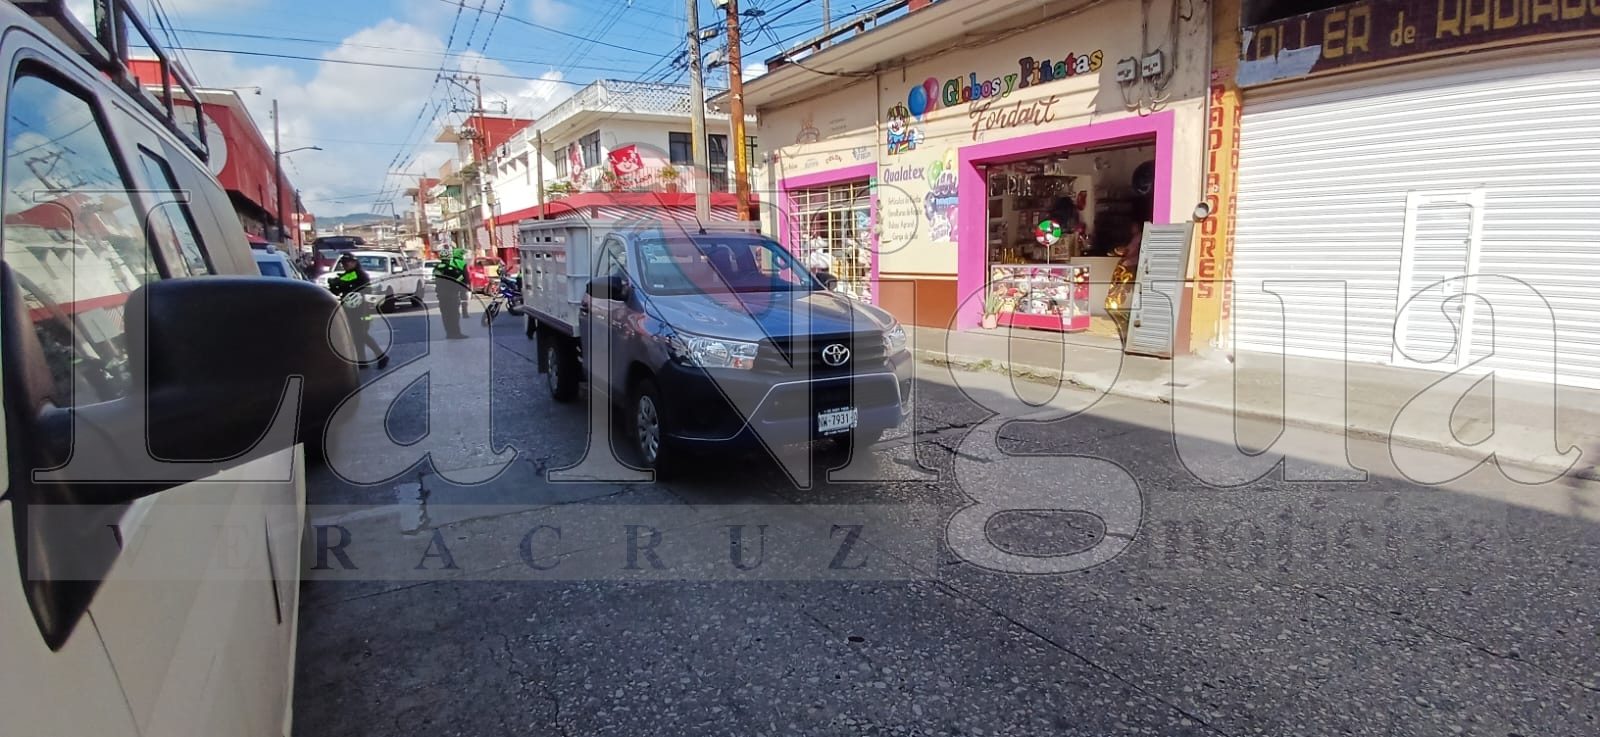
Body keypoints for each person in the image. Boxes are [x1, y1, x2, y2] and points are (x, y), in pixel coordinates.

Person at [327, 253, 389, 369]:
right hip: (350, 309)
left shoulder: (358, 274)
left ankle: (381, 356)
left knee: (361, 334)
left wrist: (336, 282)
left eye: (347, 262)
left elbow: (342, 281)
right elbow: (337, 288)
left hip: (362, 310)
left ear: (354, 262)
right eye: (343, 263)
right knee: (357, 336)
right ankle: (362, 361)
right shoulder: (348, 275)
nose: (345, 265)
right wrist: (333, 285)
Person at [1104, 221, 1143, 343]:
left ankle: (1124, 322)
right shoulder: (1138, 238)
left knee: (1119, 294)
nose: (1131, 228)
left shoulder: (1138, 238)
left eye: (1133, 226)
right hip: (1130, 266)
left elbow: (1129, 251)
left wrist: (1120, 251)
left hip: (1129, 267)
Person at [433, 247, 470, 339]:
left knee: (445, 315)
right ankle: (456, 333)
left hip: (441, 296)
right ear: (449, 258)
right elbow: (461, 279)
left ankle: (449, 333)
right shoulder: (451, 269)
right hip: (451, 295)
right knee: (454, 315)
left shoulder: (436, 268)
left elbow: (437, 279)